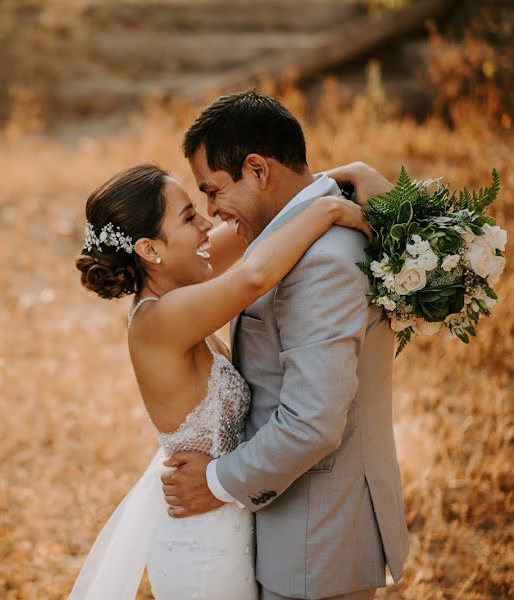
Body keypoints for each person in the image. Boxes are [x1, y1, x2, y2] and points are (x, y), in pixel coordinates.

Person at [70, 91, 408, 600]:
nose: (209, 220)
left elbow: (270, 208)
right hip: (204, 537)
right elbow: (254, 274)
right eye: (190, 215)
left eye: (208, 195)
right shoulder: (158, 320)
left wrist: (339, 179)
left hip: (239, 523)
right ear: (149, 249)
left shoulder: (184, 281)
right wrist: (329, 210)